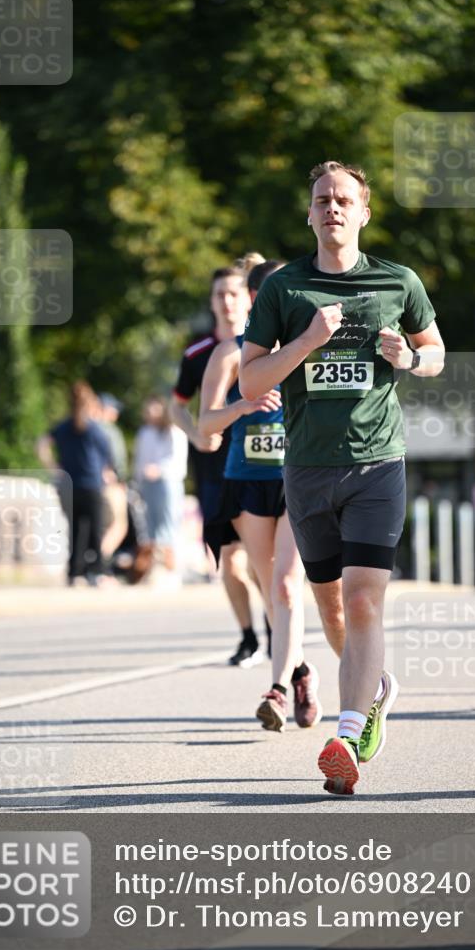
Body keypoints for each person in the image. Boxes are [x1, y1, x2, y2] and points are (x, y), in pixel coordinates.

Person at [240, 159, 445, 794]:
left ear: (363, 212)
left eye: (343, 199)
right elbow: (250, 382)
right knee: (331, 605)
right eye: (322, 199)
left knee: (362, 599)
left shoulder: (397, 281)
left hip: (378, 462)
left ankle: (347, 734)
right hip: (306, 469)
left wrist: (410, 357)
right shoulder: (284, 289)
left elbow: (435, 352)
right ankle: (375, 689)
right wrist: (304, 343)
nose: (332, 207)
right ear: (309, 213)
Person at [200, 259, 321, 730]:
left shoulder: (308, 344)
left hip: (298, 477)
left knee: (289, 585)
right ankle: (301, 671)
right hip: (248, 480)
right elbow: (205, 426)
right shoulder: (230, 354)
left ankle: (277, 689)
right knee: (273, 589)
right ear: (255, 298)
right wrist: (243, 405)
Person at [171, 258, 267, 666]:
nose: (226, 302)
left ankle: (280, 633)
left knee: (265, 560)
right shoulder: (197, 353)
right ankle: (249, 637)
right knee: (229, 560)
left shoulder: (265, 346)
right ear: (211, 302)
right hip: (214, 469)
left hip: (262, 465)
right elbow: (176, 405)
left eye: (233, 293)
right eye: (219, 295)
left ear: (248, 298)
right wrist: (195, 434)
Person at [37, 381, 115, 587]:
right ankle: (96, 571)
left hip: (69, 485)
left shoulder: (63, 427)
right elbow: (108, 458)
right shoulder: (94, 429)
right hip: (91, 484)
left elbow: (42, 444)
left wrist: (53, 467)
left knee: (75, 530)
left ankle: (74, 572)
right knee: (95, 529)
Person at [134, 395, 188, 581]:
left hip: (167, 482)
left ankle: (170, 568)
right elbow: (140, 460)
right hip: (148, 483)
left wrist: (159, 470)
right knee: (150, 524)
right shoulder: (145, 433)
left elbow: (176, 461)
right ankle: (149, 569)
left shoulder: (173, 432)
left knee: (168, 521)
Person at [98, 393, 129, 561]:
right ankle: (100, 561)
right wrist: (121, 480)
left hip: (90, 484)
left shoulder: (86, 427)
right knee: (118, 526)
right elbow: (118, 460)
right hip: (111, 484)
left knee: (100, 526)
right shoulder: (110, 431)